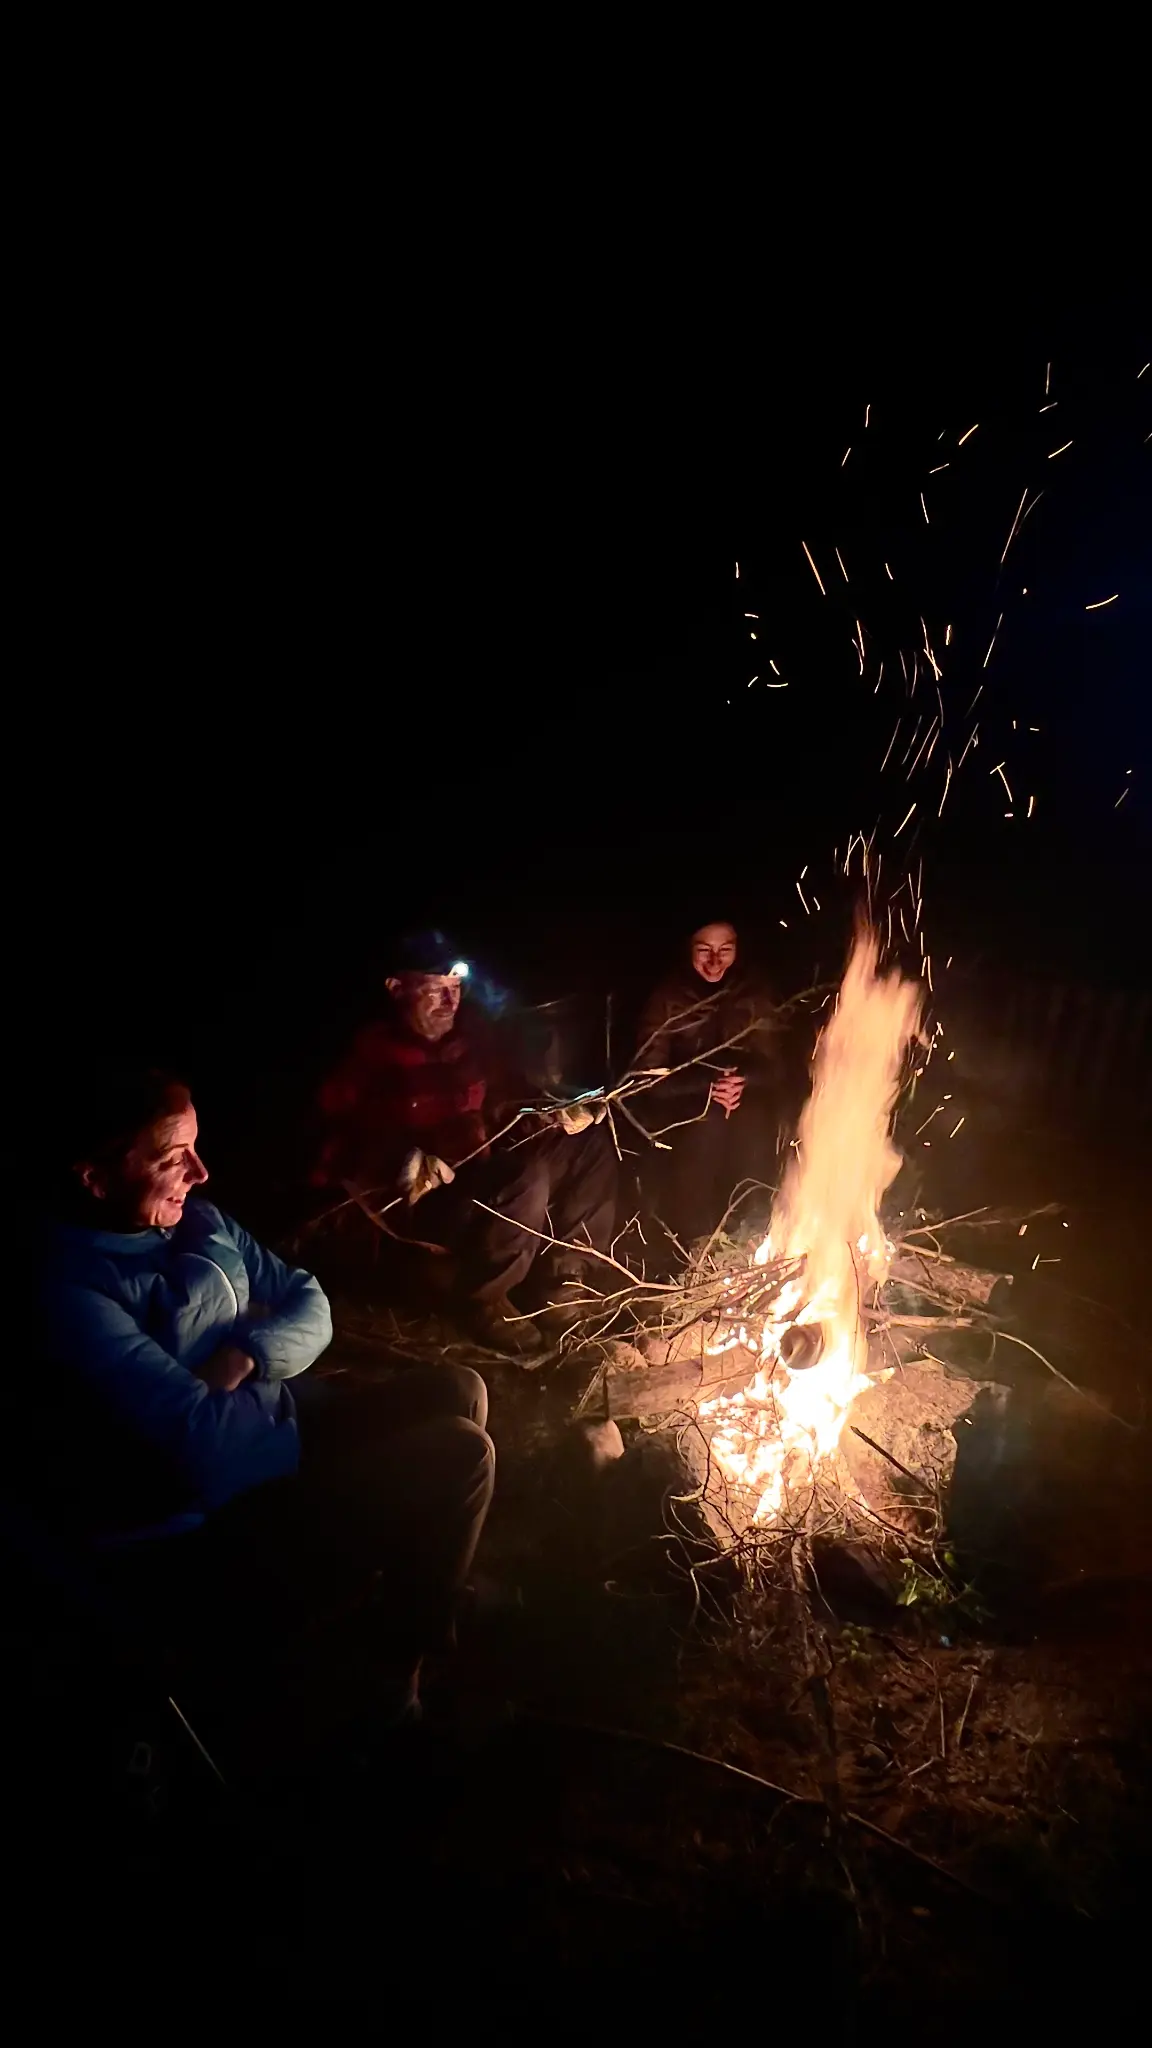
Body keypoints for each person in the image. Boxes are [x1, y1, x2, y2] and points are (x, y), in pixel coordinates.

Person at [27, 1068, 495, 1742]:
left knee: (459, 1389)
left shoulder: (198, 1221)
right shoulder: (74, 1293)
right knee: (462, 1456)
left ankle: (418, 1592)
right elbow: (195, 1444)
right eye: (172, 1158)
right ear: (96, 1179)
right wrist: (291, 1432)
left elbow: (312, 1304)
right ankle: (390, 1678)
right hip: (203, 1529)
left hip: (276, 1426)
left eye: (196, 1146)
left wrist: (247, 1354)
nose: (202, 1171)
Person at [317, 934, 618, 1354]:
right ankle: (485, 1300)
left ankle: (565, 1281)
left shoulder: (469, 1044)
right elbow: (332, 1143)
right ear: (396, 988)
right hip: (427, 1206)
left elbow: (504, 1104)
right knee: (524, 1177)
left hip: (484, 1175)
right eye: (436, 989)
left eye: (455, 989)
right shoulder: (368, 1058)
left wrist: (550, 1112)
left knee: (588, 1144)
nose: (449, 1001)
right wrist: (399, 1162)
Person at [629, 919, 779, 1256]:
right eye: (704, 951)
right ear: (688, 951)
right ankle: (696, 1242)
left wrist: (742, 1081)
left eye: (724, 950)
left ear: (738, 951)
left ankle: (751, 1235)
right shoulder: (666, 997)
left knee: (753, 1121)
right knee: (704, 1124)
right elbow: (646, 1078)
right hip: (681, 1100)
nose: (714, 961)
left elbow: (776, 1066)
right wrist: (705, 1086)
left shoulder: (754, 992)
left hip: (742, 1098)